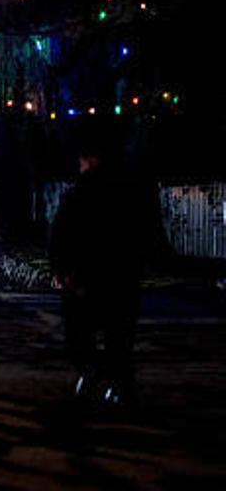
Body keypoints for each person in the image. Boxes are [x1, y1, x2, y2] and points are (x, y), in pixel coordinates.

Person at [49, 126, 166, 406]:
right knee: (120, 332)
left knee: (80, 329)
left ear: (89, 160)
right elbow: (150, 232)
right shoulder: (133, 190)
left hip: (85, 275)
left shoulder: (79, 193)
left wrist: (59, 267)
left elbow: (60, 233)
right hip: (122, 272)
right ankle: (119, 383)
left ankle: (90, 370)